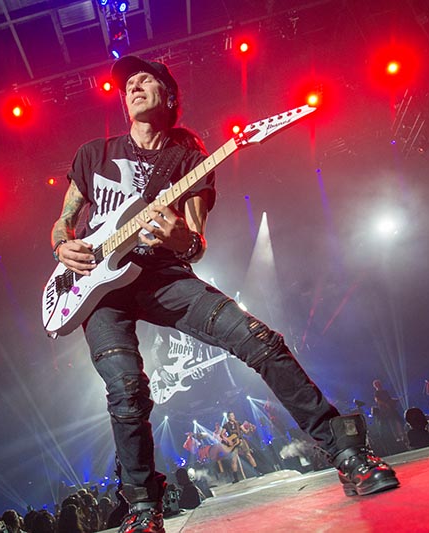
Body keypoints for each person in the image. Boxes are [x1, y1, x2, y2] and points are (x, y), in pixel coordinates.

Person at [50, 55, 399, 533]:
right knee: (126, 389)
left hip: (164, 278)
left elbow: (194, 243)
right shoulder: (94, 152)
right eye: (128, 82)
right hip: (97, 289)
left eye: (146, 79)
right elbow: (63, 221)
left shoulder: (189, 158)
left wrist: (175, 237)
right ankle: (143, 508)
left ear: (169, 96)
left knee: (260, 340)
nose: (133, 85)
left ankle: (347, 452)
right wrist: (61, 245)